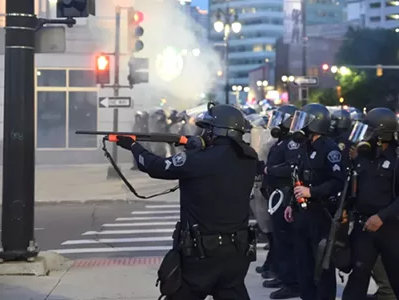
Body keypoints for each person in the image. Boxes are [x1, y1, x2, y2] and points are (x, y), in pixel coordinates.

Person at [116, 103, 258, 300]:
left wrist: (134, 146)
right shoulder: (249, 158)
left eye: (206, 129)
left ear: (214, 131)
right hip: (237, 252)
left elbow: (155, 166)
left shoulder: (198, 160)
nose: (203, 133)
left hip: (202, 255)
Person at [284, 103, 345, 300]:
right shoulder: (304, 146)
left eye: (305, 122)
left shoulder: (330, 149)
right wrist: (291, 204)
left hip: (322, 213)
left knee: (322, 263)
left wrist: (312, 192)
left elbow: (338, 182)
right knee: (303, 263)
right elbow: (297, 176)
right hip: (303, 213)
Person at [342, 107, 399, 299]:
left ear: (381, 134)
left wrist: (382, 217)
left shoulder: (397, 158)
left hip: (390, 228)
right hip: (364, 226)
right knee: (358, 276)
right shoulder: (363, 156)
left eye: (370, 131)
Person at [261, 105, 301, 299]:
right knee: (278, 239)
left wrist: (271, 171)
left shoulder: (292, 143)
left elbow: (292, 167)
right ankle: (283, 276)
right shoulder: (281, 141)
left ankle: (292, 283)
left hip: (285, 195)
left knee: (286, 240)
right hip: (275, 194)